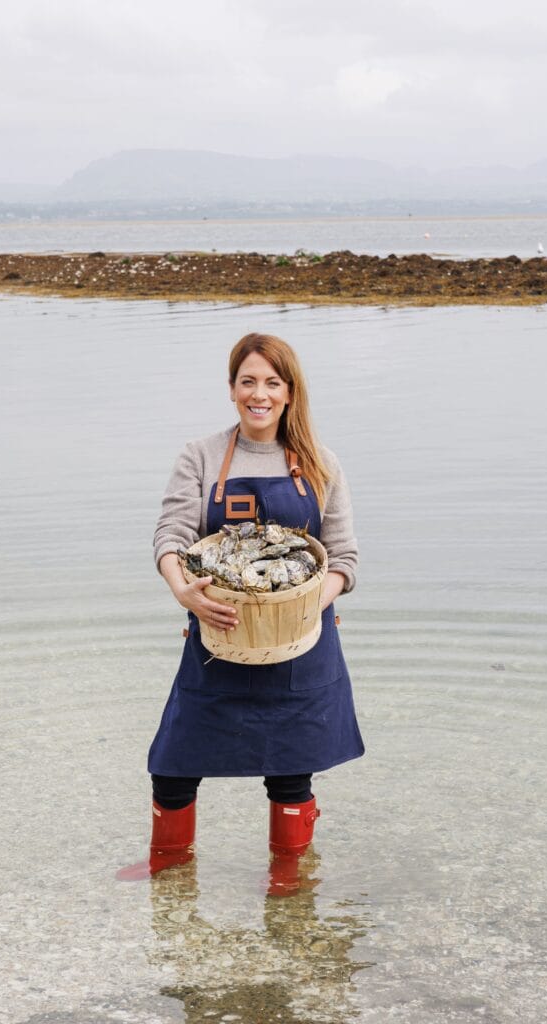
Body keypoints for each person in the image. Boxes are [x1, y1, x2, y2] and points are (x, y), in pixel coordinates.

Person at [117, 332, 365, 893]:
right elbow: (172, 534)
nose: (260, 394)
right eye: (248, 382)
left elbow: (344, 558)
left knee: (291, 771)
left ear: (289, 391)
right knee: (174, 764)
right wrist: (182, 591)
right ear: (231, 389)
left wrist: (302, 603)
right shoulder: (201, 456)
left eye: (272, 383)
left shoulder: (321, 463)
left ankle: (288, 877)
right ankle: (169, 866)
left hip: (301, 644)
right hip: (216, 639)